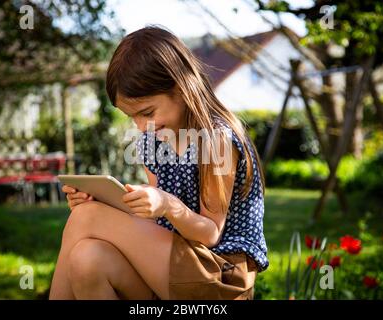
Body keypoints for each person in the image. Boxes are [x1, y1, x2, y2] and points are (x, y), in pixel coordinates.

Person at [49, 25, 268, 300]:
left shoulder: (216, 139)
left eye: (147, 112)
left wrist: (167, 204)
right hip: (171, 266)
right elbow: (155, 221)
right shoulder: (152, 141)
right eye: (133, 117)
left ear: (181, 86)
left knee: (86, 218)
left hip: (220, 275)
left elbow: (211, 234)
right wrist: (109, 200)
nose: (142, 126)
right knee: (86, 259)